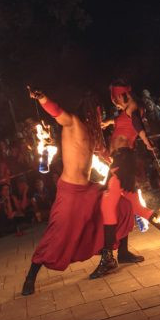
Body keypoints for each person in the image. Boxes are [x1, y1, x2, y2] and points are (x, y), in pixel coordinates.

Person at [21, 88, 135, 295]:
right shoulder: (72, 122)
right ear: (88, 110)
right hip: (70, 192)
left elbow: (104, 156)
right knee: (57, 234)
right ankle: (31, 276)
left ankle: (122, 253)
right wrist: (42, 98)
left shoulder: (92, 134)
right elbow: (56, 112)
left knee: (123, 205)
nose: (99, 115)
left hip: (88, 189)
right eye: (96, 111)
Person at [90, 81, 160, 279]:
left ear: (125, 95)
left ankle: (108, 258)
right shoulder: (120, 116)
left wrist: (145, 139)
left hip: (123, 163)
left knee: (108, 206)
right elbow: (119, 123)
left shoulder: (134, 109)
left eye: (117, 98)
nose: (116, 103)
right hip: (120, 163)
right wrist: (107, 123)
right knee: (138, 208)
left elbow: (136, 123)